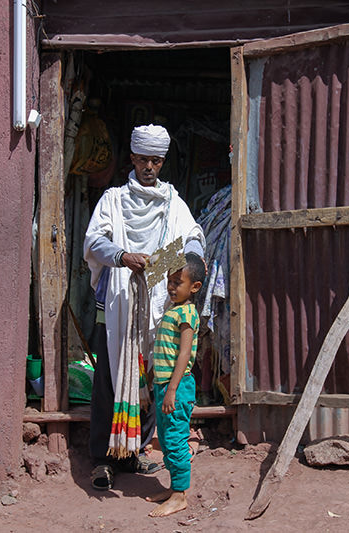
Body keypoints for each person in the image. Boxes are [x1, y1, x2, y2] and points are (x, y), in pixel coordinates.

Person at [84, 124, 205, 490]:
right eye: (143, 159)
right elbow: (94, 242)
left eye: (156, 160)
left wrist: (188, 265)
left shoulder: (173, 204)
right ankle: (103, 460)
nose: (149, 166)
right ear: (133, 158)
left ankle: (133, 451)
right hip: (118, 303)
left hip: (156, 306)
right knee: (110, 381)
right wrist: (121, 256)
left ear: (162, 161)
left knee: (150, 381)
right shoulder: (113, 201)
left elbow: (193, 238)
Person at [147, 253, 206, 517]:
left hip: (177, 387)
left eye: (177, 282)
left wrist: (171, 389)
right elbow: (164, 351)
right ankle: (174, 488)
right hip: (164, 385)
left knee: (175, 439)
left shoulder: (188, 314)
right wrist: (154, 381)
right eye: (169, 281)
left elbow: (184, 354)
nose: (171, 287)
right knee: (167, 440)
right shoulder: (172, 310)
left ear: (194, 287)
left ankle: (180, 495)